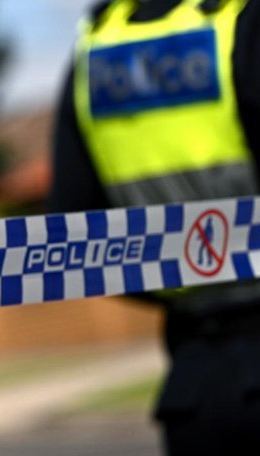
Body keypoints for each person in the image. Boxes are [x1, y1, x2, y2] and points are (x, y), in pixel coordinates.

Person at [49, 0, 260, 453]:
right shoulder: (244, 21)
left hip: (195, 383)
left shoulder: (99, 45)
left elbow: (77, 237)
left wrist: (184, 271)